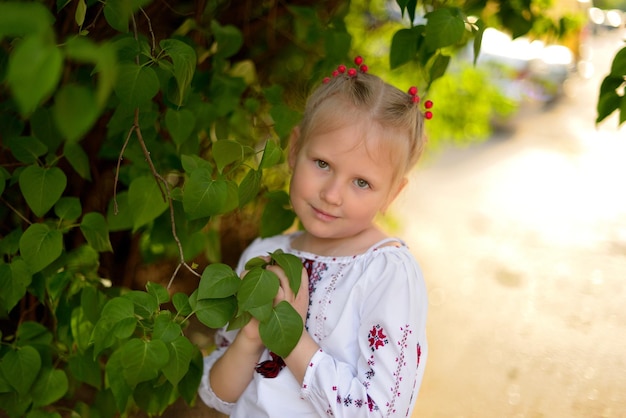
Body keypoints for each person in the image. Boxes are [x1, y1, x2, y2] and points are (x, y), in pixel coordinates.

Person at [198, 56, 431, 417]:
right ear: (294, 150)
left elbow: (378, 412)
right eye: (322, 164)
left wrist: (288, 337)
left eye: (362, 182)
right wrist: (249, 338)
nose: (333, 194)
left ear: (392, 195)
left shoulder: (385, 273)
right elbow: (218, 394)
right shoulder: (265, 254)